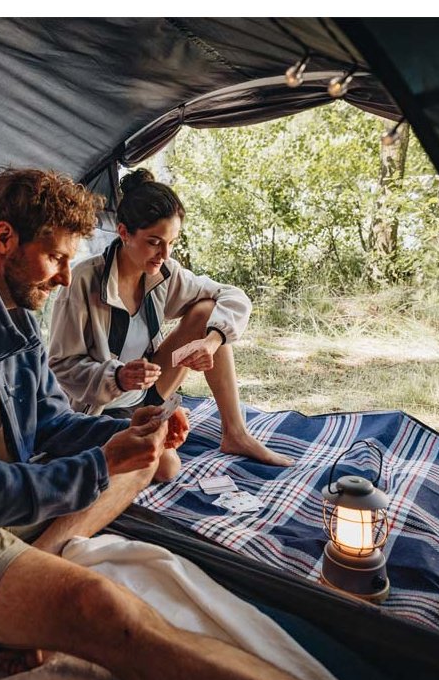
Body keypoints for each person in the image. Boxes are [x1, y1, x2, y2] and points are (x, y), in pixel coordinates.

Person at [0, 166, 361, 680]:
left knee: (148, 458)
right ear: (5, 239)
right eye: (56, 258)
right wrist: (102, 461)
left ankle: (37, 558)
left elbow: (50, 424)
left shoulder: (13, 316)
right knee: (99, 607)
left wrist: (131, 430)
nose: (63, 277)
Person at [48, 168, 294, 482]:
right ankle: (139, 432)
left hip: (150, 391)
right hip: (99, 408)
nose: (164, 254)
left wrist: (212, 341)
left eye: (171, 243)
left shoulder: (165, 272)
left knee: (207, 311)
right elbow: (62, 368)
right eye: (154, 242)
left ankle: (235, 433)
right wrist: (119, 376)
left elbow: (233, 297)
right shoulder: (81, 280)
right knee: (167, 468)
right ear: (124, 233)